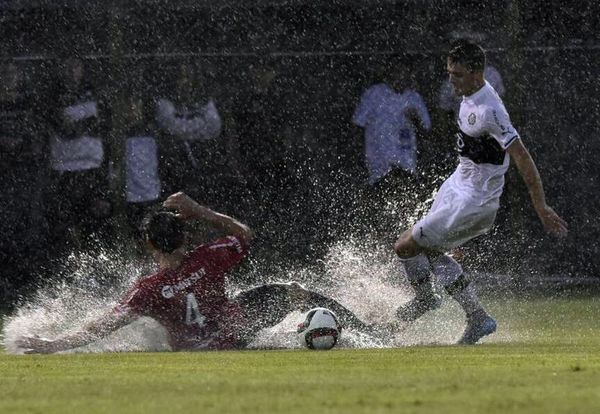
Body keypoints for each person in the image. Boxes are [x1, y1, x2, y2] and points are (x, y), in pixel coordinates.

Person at [16, 192, 370, 353]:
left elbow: (101, 326)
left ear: (150, 246)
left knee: (281, 294)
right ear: (186, 236)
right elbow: (245, 234)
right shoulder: (208, 257)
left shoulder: (147, 290)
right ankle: (369, 331)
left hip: (198, 349)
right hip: (234, 331)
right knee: (294, 292)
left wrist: (53, 345)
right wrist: (201, 211)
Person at [391, 41, 568, 345]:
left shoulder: (490, 110)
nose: (451, 80)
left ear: (476, 73)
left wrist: (540, 206)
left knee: (405, 246)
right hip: (457, 187)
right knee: (428, 250)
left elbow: (523, 157)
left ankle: (427, 300)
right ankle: (477, 318)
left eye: (457, 75)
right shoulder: (467, 96)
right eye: (449, 73)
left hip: (474, 202)